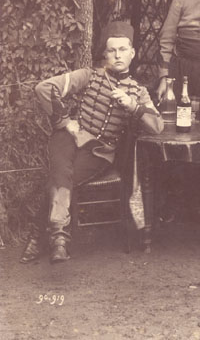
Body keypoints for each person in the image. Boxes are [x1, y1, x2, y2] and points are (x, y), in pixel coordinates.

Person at [20, 21, 163, 264]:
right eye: (112, 50)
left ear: (132, 53)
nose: (117, 55)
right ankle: (58, 238)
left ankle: (44, 237)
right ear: (105, 54)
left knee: (60, 176)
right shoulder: (89, 76)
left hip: (99, 153)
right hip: (69, 138)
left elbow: (157, 127)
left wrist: (133, 106)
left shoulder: (138, 91)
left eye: (122, 50)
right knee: (62, 161)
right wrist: (65, 121)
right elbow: (44, 88)